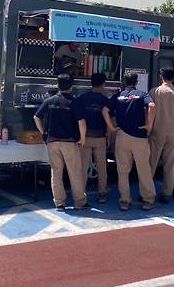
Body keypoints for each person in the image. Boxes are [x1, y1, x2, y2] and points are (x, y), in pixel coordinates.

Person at [34, 74, 89, 211]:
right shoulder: (74, 102)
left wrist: (43, 133)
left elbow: (36, 117)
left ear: (57, 85)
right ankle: (79, 202)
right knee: (75, 172)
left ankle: (59, 203)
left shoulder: (49, 101)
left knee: (56, 173)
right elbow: (81, 121)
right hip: (70, 143)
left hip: (52, 142)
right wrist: (83, 138)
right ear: (71, 86)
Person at [111, 72, 157, 211]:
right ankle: (148, 199)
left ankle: (125, 200)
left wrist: (112, 128)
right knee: (143, 169)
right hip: (139, 137)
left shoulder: (118, 96)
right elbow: (152, 106)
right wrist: (149, 125)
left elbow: (105, 110)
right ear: (136, 82)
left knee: (123, 171)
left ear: (123, 82)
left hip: (122, 136)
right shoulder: (142, 94)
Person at [149, 68, 174, 203]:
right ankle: (167, 193)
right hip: (173, 133)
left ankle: (147, 192)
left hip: (157, 132)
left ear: (161, 77)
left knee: (151, 162)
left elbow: (149, 111)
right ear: (172, 78)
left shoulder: (155, 91)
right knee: (169, 164)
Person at [78, 73, 116, 203]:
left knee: (83, 167)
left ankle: (81, 194)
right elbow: (109, 121)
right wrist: (109, 138)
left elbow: (79, 119)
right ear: (103, 85)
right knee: (102, 167)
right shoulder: (105, 100)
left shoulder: (82, 98)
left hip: (85, 137)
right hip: (100, 137)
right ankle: (102, 194)